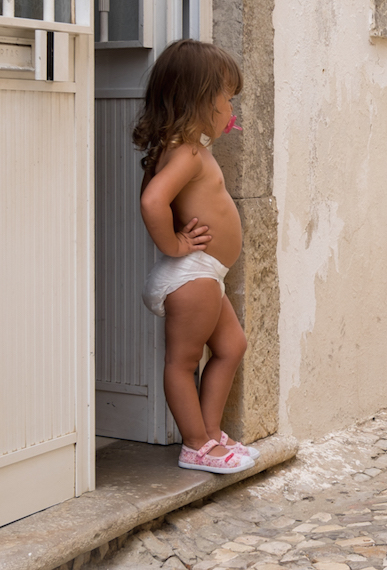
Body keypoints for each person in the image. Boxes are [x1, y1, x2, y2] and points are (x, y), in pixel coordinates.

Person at [133, 39, 258, 473]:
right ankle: (195, 444)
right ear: (201, 102)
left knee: (231, 345)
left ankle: (210, 435)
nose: (231, 109)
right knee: (183, 362)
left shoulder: (190, 147)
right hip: (192, 275)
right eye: (227, 99)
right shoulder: (186, 152)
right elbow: (153, 202)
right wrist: (173, 245)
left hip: (206, 274)